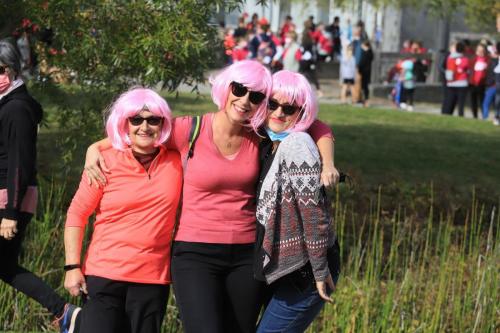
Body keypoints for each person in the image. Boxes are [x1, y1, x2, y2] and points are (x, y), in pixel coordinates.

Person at [83, 60, 339, 333]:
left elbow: (314, 125)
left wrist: (328, 162)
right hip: (195, 255)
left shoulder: (260, 135)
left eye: (256, 96)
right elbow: (140, 134)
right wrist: (95, 147)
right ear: (226, 88)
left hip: (246, 255)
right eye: (238, 89)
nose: (244, 100)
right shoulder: (189, 130)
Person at [63, 88, 182, 333]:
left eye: (153, 120)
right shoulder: (104, 161)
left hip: (152, 279)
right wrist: (72, 267)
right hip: (104, 275)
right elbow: (77, 215)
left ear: (163, 123)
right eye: (135, 120)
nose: (144, 127)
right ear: (124, 123)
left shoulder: (177, 160)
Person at [0, 39, 79, 333]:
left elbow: (20, 162)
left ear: (13, 69)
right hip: (9, 196)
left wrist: (10, 212)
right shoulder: (9, 104)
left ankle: (63, 310)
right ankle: (64, 312)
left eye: (1, 69)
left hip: (9, 199)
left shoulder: (17, 108)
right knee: (5, 266)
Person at [253, 70, 340, 332]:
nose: (279, 112)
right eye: (272, 104)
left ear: (302, 113)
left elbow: (313, 214)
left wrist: (319, 269)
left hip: (304, 270)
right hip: (282, 265)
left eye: (289, 108)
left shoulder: (297, 144)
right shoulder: (268, 142)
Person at [443, 41, 470, 117]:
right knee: (461, 104)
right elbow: (468, 71)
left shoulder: (450, 58)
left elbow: (448, 70)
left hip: (451, 83)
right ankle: (460, 116)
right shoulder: (465, 59)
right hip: (462, 83)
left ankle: (447, 115)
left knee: (449, 101)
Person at [469, 44, 489, 119]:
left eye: (482, 50)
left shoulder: (487, 59)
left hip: (482, 84)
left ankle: (484, 116)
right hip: (473, 83)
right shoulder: (473, 59)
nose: (480, 51)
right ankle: (475, 116)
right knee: (473, 100)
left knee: (482, 101)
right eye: (478, 50)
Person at [483, 42, 500, 124]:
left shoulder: (494, 61)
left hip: (494, 84)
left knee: (495, 101)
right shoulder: (493, 61)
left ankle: (494, 117)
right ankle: (495, 117)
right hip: (493, 84)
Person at [358, 40, 374, 107]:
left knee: (364, 87)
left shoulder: (366, 53)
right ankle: (365, 100)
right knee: (365, 87)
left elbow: (362, 62)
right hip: (367, 71)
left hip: (364, 72)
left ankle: (365, 100)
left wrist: (358, 68)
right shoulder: (370, 53)